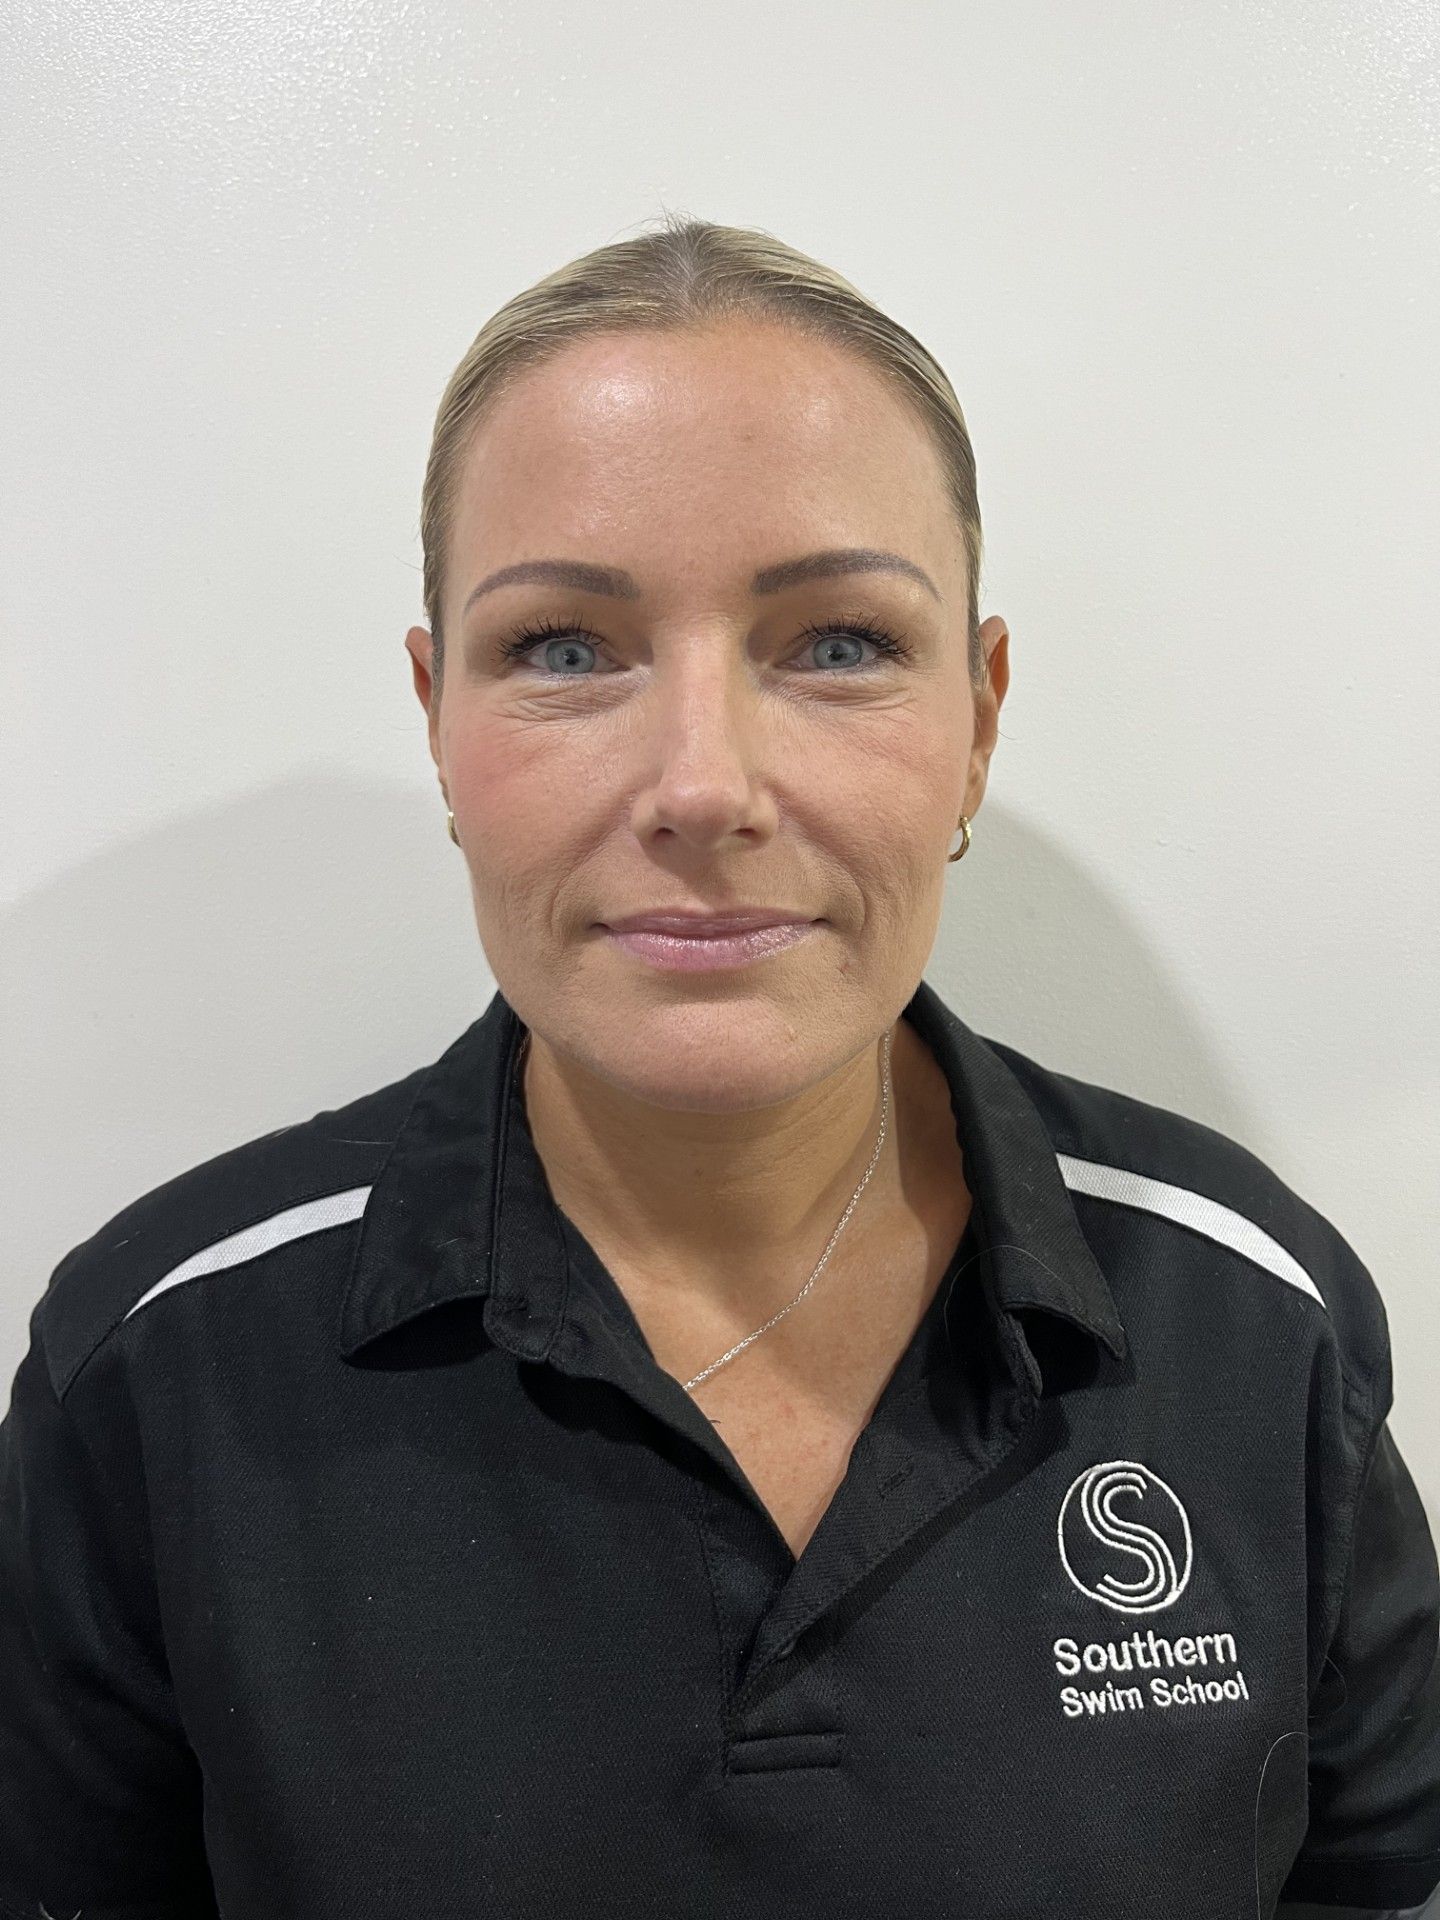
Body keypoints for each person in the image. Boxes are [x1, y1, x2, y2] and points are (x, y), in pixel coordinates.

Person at [3, 213, 1437, 1920]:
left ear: (978, 718)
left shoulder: (1250, 1319)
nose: (703, 785)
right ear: (435, 719)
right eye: (562, 649)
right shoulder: (159, 1370)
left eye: (837, 643)